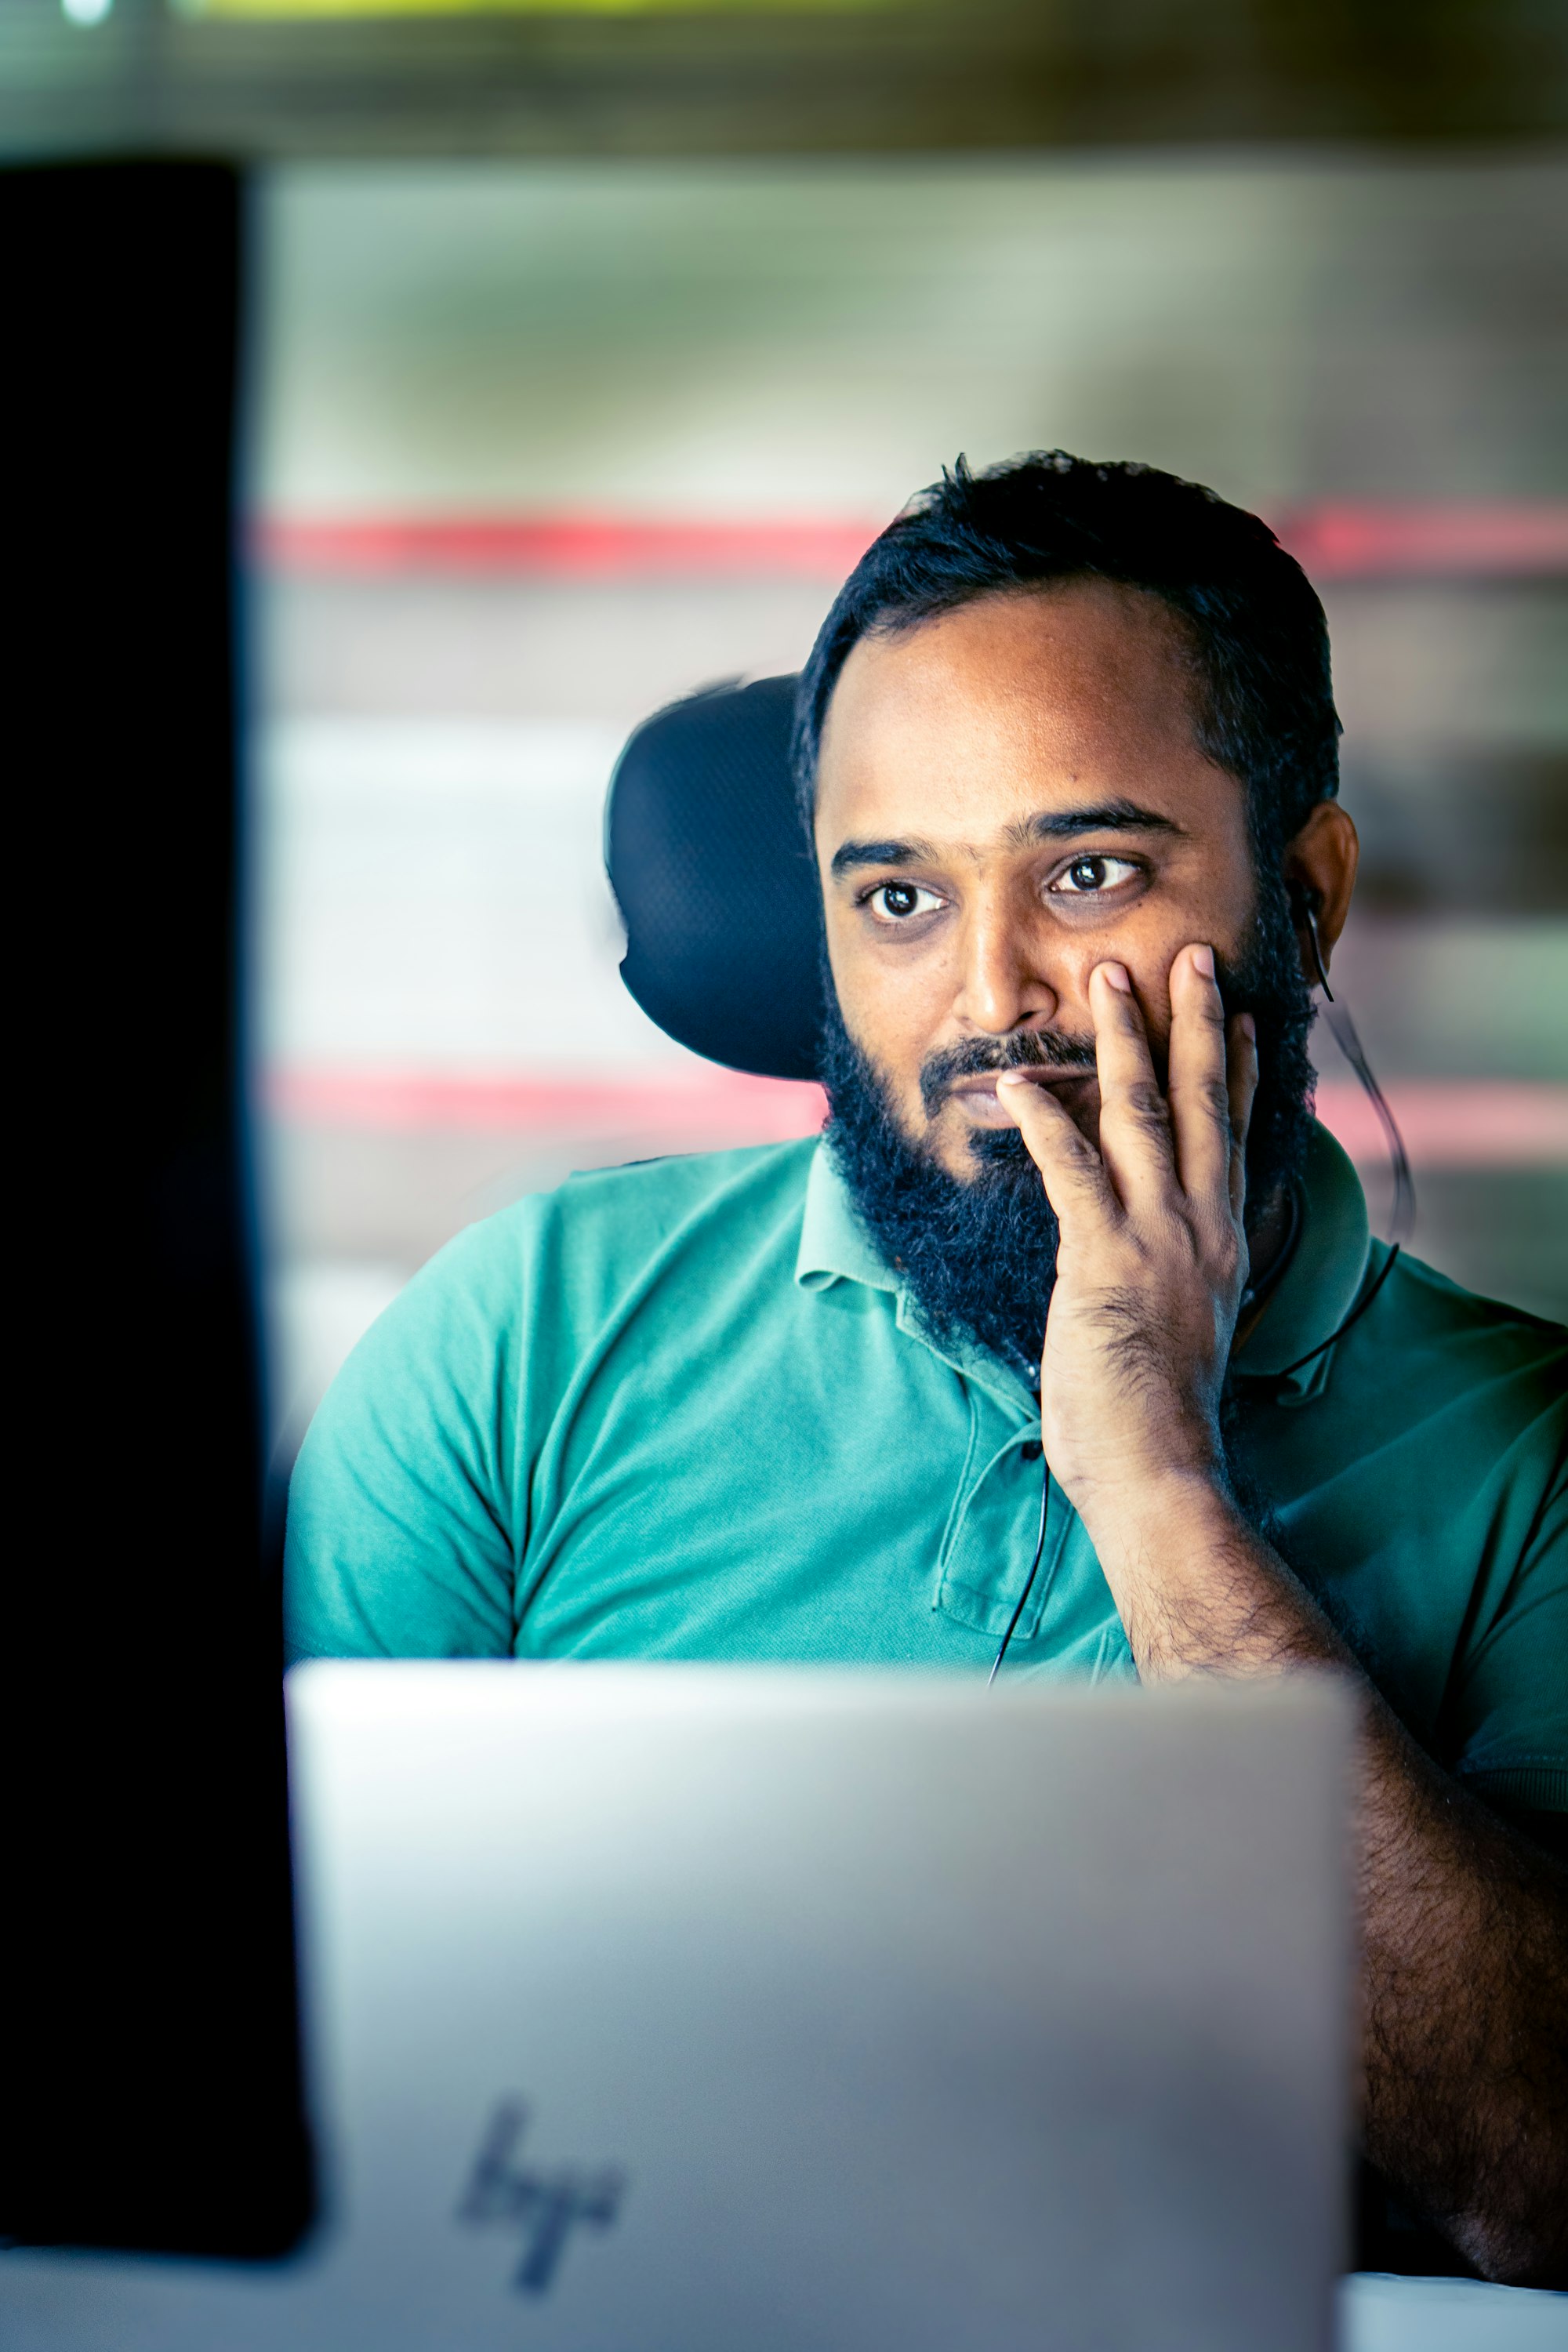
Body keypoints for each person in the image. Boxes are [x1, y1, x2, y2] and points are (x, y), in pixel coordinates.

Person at [285, 453, 1566, 2282]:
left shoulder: (1532, 1460)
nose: (988, 999)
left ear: (1306, 896)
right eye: (896, 900)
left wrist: (1159, 1490)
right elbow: (233, 2021)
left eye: (1090, 871)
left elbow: (1538, 2185)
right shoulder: (531, 1329)